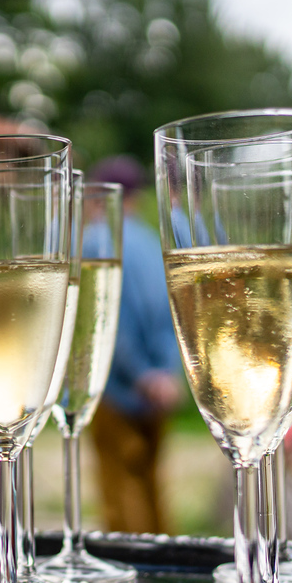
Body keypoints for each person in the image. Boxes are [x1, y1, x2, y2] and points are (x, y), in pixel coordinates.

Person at [87, 156, 184, 535]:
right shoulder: (151, 242)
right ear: (138, 196)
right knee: (152, 483)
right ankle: (164, 570)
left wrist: (141, 375)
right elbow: (171, 313)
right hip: (160, 390)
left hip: (114, 389)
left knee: (118, 489)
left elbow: (107, 319)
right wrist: (164, 374)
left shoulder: (97, 241)